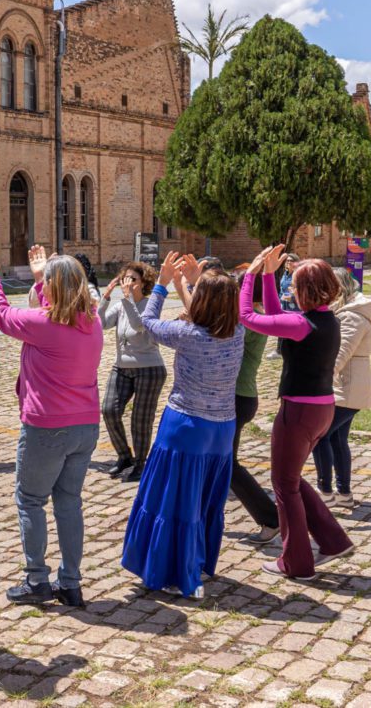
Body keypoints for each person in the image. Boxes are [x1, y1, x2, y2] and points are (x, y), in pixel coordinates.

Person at [0, 242, 103, 609]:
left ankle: (36, 579)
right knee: (68, 502)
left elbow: (1, 316)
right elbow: (50, 310)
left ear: (56, 288)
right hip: (85, 426)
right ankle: (70, 583)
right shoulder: (92, 321)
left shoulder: (45, 324)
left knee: (30, 499)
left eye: (47, 282)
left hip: (47, 427)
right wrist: (41, 277)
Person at [121, 254, 244, 600]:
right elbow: (210, 314)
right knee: (202, 500)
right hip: (221, 431)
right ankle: (198, 561)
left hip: (186, 426)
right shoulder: (237, 332)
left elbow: (148, 320)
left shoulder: (185, 334)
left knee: (174, 501)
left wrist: (161, 283)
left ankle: (175, 571)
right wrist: (187, 284)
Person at [241, 245, 354, 581]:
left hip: (299, 412)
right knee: (291, 479)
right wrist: (267, 276)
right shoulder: (325, 320)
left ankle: (295, 562)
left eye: (293, 284)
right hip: (321, 409)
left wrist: (248, 278)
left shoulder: (302, 324)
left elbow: (249, 317)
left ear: (306, 290)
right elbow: (278, 320)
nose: (289, 287)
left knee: (283, 484)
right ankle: (333, 541)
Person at [313, 269, 371, 511]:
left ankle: (326, 491)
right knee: (338, 438)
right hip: (346, 386)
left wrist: (319, 378)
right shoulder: (347, 311)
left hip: (347, 387)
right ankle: (344, 493)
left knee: (321, 436)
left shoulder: (352, 316)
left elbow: (340, 354)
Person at [97, 261, 167, 482]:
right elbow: (100, 324)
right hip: (122, 367)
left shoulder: (150, 305)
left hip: (149, 368)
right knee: (109, 410)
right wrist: (105, 298)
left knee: (140, 420)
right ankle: (124, 456)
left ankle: (140, 463)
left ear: (143, 282)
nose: (127, 283)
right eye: (125, 279)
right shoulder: (120, 305)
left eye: (132, 279)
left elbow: (139, 326)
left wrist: (127, 300)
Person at [231, 271, 279, 544]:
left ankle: (270, 518)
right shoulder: (254, 317)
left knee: (227, 465)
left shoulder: (247, 323)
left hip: (237, 398)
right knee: (219, 463)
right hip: (242, 396)